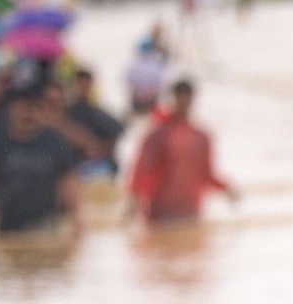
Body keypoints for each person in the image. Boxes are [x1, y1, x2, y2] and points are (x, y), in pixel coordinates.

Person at [128, 78, 237, 224]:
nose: (183, 101)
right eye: (180, 96)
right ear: (172, 98)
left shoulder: (201, 136)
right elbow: (141, 168)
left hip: (191, 209)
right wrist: (133, 200)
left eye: (186, 97)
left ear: (192, 99)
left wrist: (227, 189)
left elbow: (208, 173)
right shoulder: (158, 134)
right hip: (160, 209)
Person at [0, 83, 84, 239]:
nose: (28, 114)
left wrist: (76, 219)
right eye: (22, 108)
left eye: (32, 108)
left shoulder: (54, 142)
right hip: (7, 224)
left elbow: (68, 180)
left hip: (45, 224)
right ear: (11, 110)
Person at [61, 69, 124, 178]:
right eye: (81, 84)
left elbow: (116, 130)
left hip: (95, 166)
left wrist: (98, 149)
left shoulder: (97, 112)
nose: (84, 88)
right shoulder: (66, 113)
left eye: (87, 84)